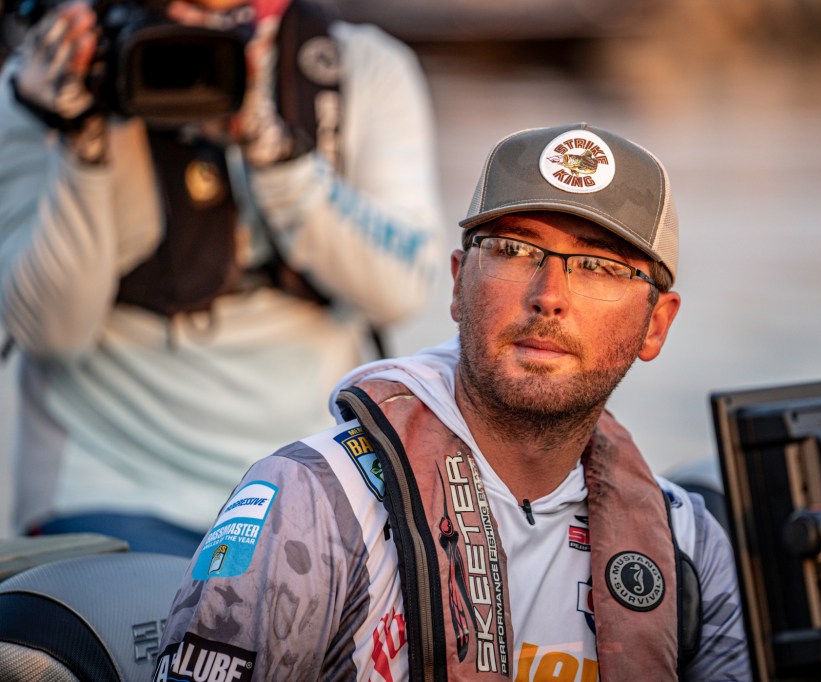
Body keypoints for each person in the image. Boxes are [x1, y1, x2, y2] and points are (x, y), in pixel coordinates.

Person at [154, 123, 751, 680]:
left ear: (656, 325)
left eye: (597, 265)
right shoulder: (312, 500)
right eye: (515, 250)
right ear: (459, 284)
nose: (549, 295)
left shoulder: (688, 543)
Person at [0, 0, 443, 556]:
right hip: (105, 482)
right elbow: (52, 332)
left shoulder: (362, 68)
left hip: (310, 480)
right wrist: (82, 142)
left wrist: (275, 155)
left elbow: (401, 288)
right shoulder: (51, 76)